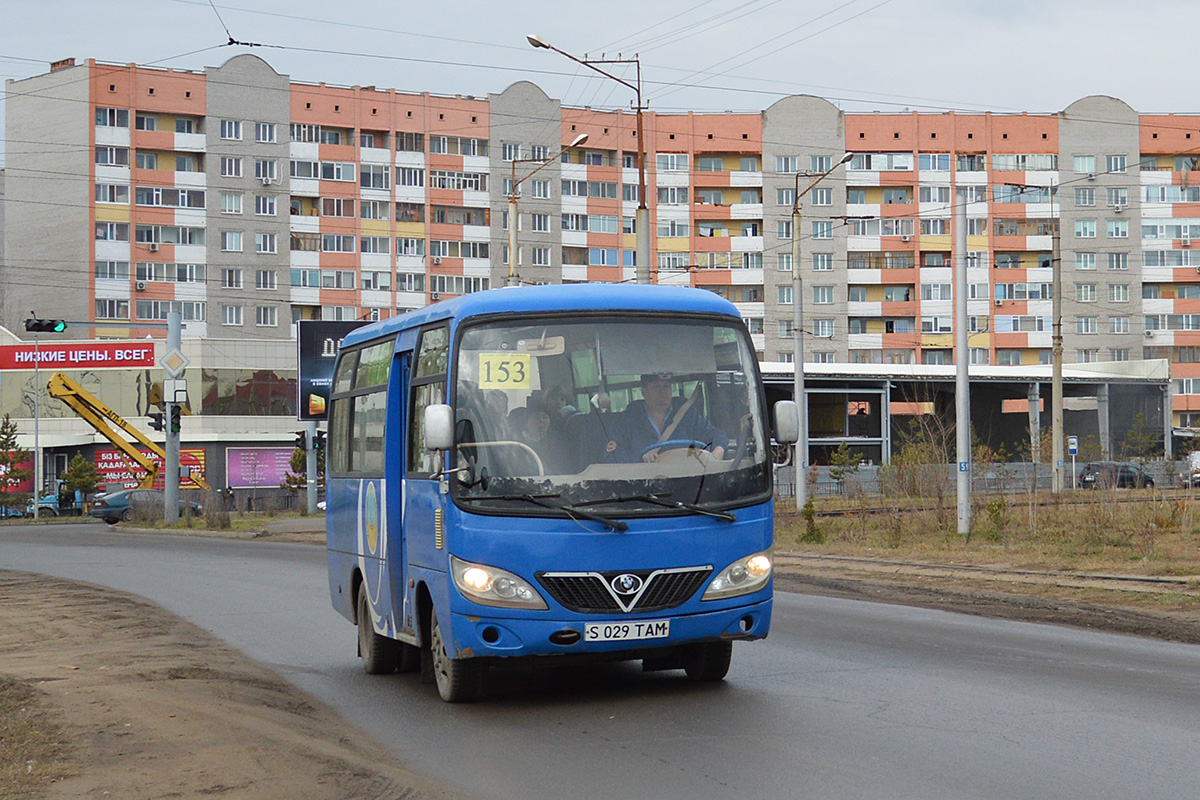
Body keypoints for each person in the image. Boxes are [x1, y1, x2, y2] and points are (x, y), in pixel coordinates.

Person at [608, 373, 728, 463]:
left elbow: (716, 436)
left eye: (666, 387)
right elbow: (612, 456)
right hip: (641, 488)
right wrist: (641, 460)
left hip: (687, 484)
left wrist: (716, 455)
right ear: (644, 392)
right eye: (656, 387)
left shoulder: (688, 416)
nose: (663, 393)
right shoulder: (626, 421)